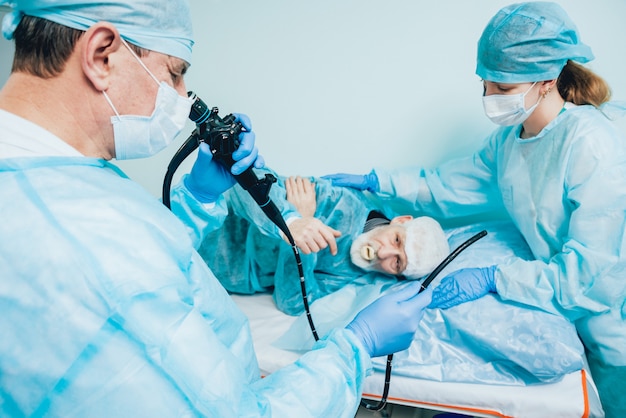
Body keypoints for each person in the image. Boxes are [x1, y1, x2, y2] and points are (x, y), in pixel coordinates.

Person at [0, 1, 433, 416]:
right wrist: (354, 348)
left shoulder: (60, 177)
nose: (184, 97)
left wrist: (198, 197)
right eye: (174, 74)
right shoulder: (87, 249)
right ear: (101, 55)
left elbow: (154, 256)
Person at [323, 3, 626, 417]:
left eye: (502, 89)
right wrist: (379, 181)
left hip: (615, 325)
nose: (489, 98)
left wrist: (494, 277)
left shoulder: (590, 143)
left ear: (546, 80)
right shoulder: (510, 143)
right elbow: (446, 185)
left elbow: (591, 277)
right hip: (573, 311)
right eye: (485, 85)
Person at [199, 169, 450, 315]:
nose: (384, 253)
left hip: (219, 278)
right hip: (208, 227)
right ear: (401, 220)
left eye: (397, 263)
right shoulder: (337, 201)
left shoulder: (351, 272)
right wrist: (292, 220)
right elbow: (248, 186)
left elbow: (293, 304)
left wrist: (301, 232)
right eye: (396, 240)